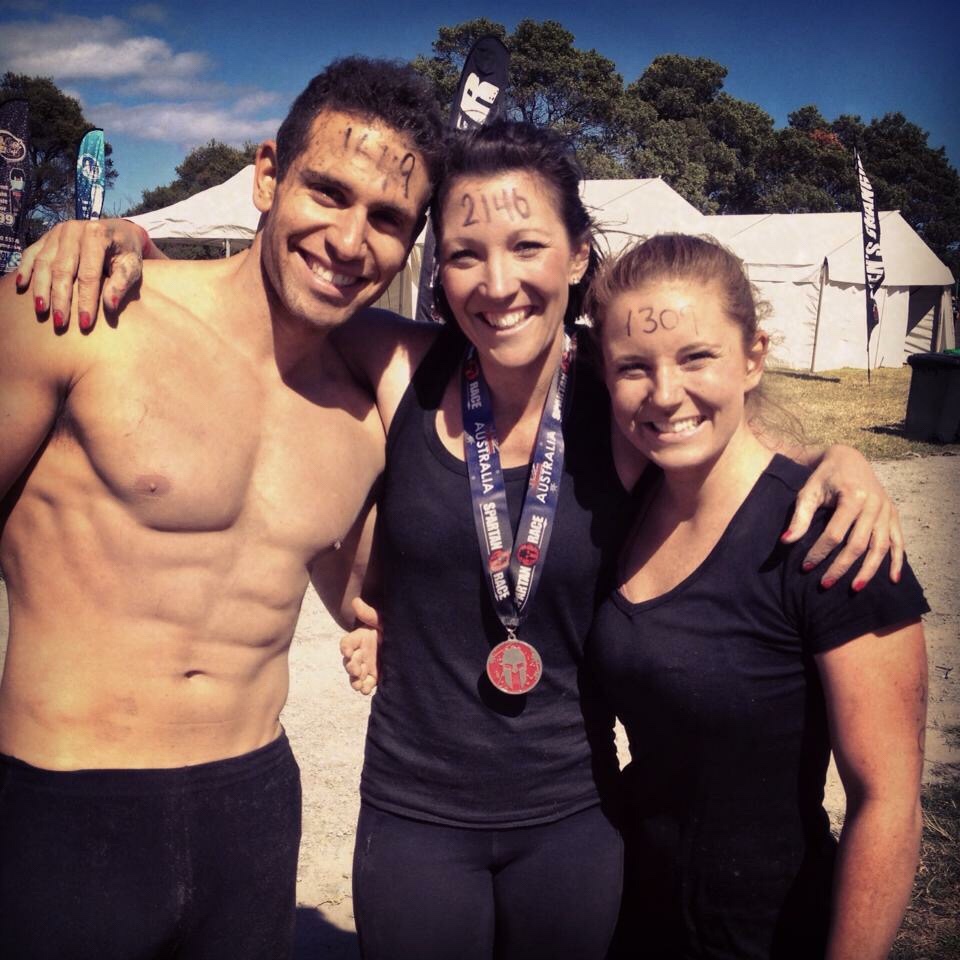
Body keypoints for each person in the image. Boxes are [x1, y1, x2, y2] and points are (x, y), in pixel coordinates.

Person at [18, 122, 902, 960]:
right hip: (415, 817)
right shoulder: (402, 363)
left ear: (577, 257)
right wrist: (126, 237)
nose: (497, 282)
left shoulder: (619, 395)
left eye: (527, 247)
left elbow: (713, 432)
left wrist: (837, 458)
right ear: (438, 270)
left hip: (574, 818)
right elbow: (258, 295)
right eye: (465, 253)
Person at [0, 56, 443, 958]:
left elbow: (367, 600)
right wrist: (112, 233)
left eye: (387, 218)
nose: (349, 240)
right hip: (67, 807)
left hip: (253, 809)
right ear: (268, 175)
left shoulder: (361, 412)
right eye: (328, 191)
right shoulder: (81, 312)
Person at [584, 234, 928, 959]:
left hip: (769, 934)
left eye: (696, 357)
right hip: (629, 922)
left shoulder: (835, 540)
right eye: (634, 367)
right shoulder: (622, 507)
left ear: (753, 357)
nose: (665, 393)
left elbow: (888, 803)